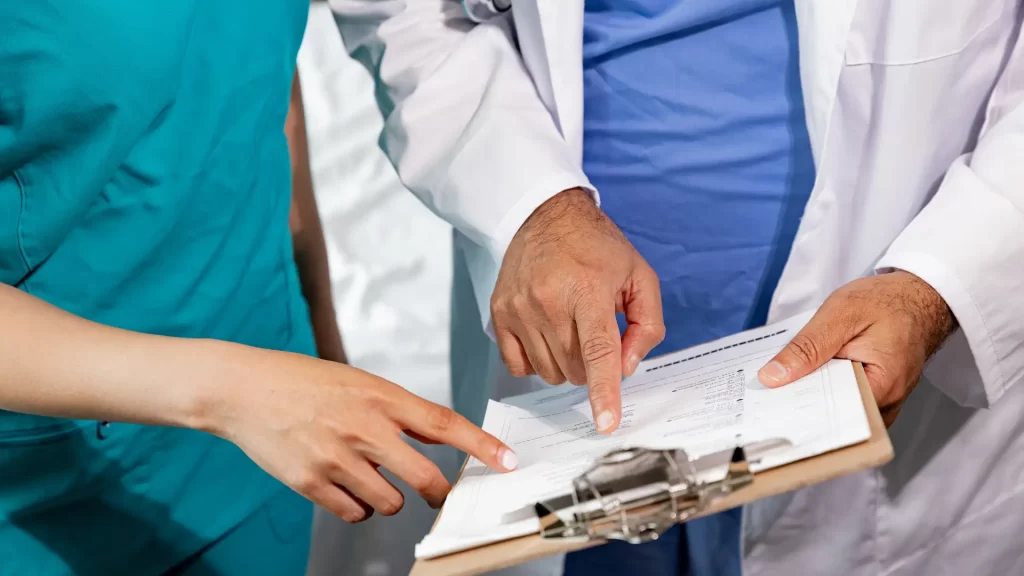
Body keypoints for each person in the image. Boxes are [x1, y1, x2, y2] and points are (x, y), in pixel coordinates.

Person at [331, 0, 1024, 574]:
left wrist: (935, 287)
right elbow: (410, 15)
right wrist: (533, 209)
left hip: (901, 300)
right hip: (572, 354)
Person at [0, 2, 517, 575]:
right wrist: (237, 392)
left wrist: (321, 338)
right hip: (47, 484)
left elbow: (265, 100)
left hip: (259, 449)